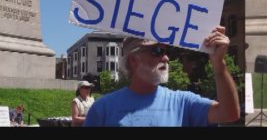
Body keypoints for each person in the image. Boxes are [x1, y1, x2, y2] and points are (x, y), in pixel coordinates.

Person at [84, 26, 240, 127]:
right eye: (157, 51)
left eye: (166, 52)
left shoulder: (182, 102)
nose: (166, 58)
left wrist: (219, 65)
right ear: (133, 61)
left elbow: (229, 114)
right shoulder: (102, 108)